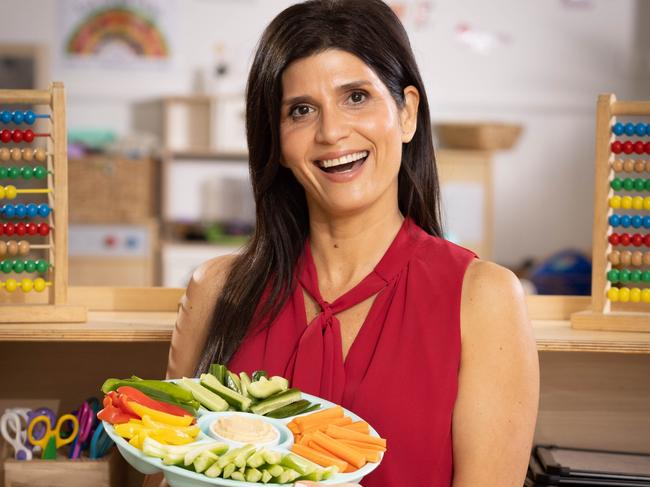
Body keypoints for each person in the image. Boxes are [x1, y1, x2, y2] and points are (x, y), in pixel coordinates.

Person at [145, 0, 539, 486]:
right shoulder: (215, 289)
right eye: (302, 110)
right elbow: (166, 473)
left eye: (356, 97)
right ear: (278, 143)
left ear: (407, 113)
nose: (331, 132)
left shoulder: (483, 297)